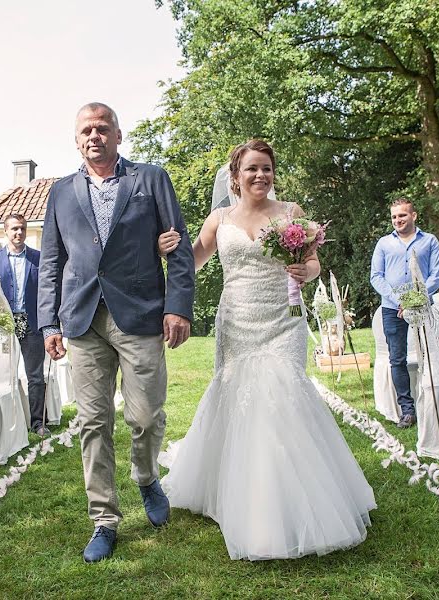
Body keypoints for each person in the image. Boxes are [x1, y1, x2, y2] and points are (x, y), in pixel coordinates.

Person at [159, 140, 375, 561]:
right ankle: (245, 492)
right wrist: (167, 250)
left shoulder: (291, 213)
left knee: (284, 394)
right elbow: (195, 259)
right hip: (236, 320)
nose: (261, 176)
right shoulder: (219, 218)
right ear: (235, 176)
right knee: (237, 394)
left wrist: (305, 270)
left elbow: (312, 263)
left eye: (267, 169)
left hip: (283, 318)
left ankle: (294, 496)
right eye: (252, 169)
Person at [38, 102, 195, 563]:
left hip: (142, 313)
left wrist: (178, 307)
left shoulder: (150, 180)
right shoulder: (61, 193)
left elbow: (179, 247)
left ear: (118, 135)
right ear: (76, 139)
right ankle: (104, 518)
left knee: (145, 416)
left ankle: (146, 476)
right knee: (92, 421)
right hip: (83, 319)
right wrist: (50, 321)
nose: (94, 135)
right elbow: (51, 263)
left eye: (102, 128)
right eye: (85, 130)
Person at [370, 198, 439, 428]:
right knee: (397, 358)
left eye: (402, 215)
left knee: (429, 354)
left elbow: (435, 276)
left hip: (422, 306)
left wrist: (415, 299)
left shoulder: (429, 241)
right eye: (394, 217)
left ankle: (432, 404)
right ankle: (408, 410)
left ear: (414, 215)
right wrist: (398, 299)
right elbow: (376, 276)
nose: (397, 220)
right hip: (392, 308)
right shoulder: (383, 244)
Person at [0, 213, 49, 434]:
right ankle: (7, 424)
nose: (18, 232)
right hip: (6, 325)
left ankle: (38, 422)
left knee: (35, 376)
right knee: (4, 374)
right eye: (14, 229)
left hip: (33, 322)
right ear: (6, 231)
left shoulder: (38, 258)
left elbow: (49, 287)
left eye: (22, 228)